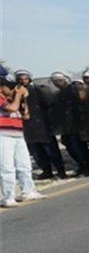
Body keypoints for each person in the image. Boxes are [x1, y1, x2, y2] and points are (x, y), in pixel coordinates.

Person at [0, 73, 45, 207]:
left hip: (18, 135)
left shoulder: (13, 99)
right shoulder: (3, 99)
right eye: (9, 87)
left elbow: (26, 116)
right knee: (7, 167)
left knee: (24, 165)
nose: (13, 90)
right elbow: (12, 108)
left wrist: (23, 99)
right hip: (3, 135)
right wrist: (19, 95)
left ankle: (28, 191)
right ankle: (8, 197)